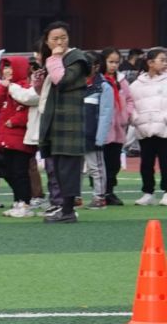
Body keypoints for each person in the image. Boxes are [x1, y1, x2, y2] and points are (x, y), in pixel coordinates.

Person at [33, 21, 93, 224]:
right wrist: (39, 79)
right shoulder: (54, 60)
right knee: (57, 167)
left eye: (63, 38)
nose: (59, 42)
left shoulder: (77, 58)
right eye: (55, 39)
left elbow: (63, 80)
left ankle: (68, 211)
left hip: (69, 122)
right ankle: (63, 208)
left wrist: (55, 58)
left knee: (68, 167)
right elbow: (44, 92)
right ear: (47, 41)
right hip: (55, 121)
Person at [0, 56, 41, 217]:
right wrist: (2, 88)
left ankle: (24, 204)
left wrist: (15, 121)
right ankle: (18, 202)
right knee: (10, 171)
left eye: (10, 67)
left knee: (20, 172)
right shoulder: (8, 87)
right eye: (5, 67)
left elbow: (29, 110)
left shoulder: (26, 88)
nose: (7, 71)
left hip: (20, 137)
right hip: (5, 137)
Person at [88, 48, 131, 207]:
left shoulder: (121, 80)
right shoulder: (97, 81)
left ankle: (109, 191)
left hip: (117, 129)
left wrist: (126, 115)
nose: (114, 65)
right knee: (99, 163)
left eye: (116, 62)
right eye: (110, 62)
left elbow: (130, 99)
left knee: (114, 163)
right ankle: (99, 192)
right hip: (100, 129)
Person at [131, 48, 167, 205]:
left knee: (165, 163)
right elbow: (130, 104)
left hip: (164, 129)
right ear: (150, 63)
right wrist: (136, 120)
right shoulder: (136, 84)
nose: (165, 63)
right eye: (162, 60)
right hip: (144, 129)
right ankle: (148, 193)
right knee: (146, 164)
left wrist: (164, 119)